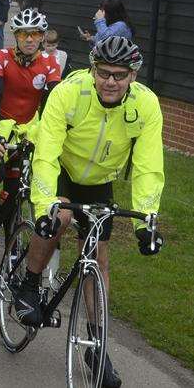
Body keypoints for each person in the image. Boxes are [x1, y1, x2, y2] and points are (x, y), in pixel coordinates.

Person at [12, 37, 163, 388]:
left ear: (133, 76)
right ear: (93, 70)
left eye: (120, 75)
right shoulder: (69, 92)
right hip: (62, 168)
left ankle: (98, 348)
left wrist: (147, 219)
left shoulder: (146, 105)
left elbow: (148, 165)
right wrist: (45, 205)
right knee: (60, 218)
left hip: (99, 180)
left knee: (98, 258)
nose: (111, 81)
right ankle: (29, 284)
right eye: (104, 73)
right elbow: (47, 153)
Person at [0, 9, 60, 256]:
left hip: (28, 131)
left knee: (16, 187)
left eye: (36, 34)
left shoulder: (50, 63)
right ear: (15, 36)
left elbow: (51, 106)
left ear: (42, 37)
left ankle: (11, 244)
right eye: (24, 34)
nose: (30, 39)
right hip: (1, 125)